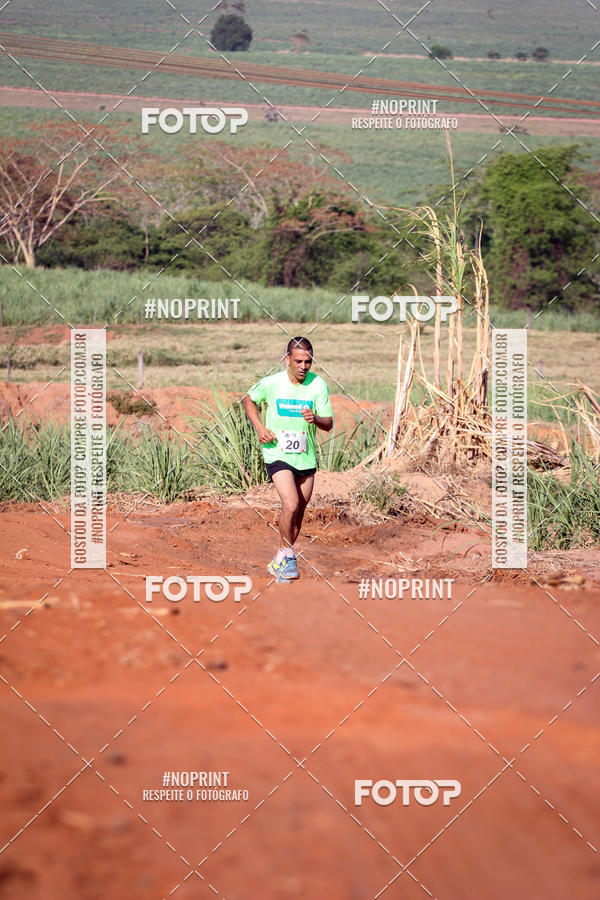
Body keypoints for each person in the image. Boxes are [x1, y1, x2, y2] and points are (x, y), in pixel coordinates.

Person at [242, 337, 333, 583]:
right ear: (287, 360)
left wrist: (316, 419)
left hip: (306, 455)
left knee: (299, 512)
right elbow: (248, 399)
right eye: (298, 361)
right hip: (277, 452)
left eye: (308, 362)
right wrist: (260, 427)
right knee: (290, 503)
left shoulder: (318, 386)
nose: (303, 366)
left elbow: (329, 423)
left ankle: (280, 559)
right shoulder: (273, 383)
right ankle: (290, 556)